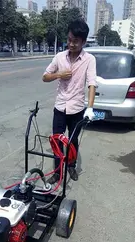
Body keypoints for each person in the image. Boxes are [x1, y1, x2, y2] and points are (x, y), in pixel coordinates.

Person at [42, 19, 97, 184]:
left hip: (77, 109)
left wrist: (90, 108)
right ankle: (58, 172)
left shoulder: (89, 59)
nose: (71, 44)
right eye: (70, 39)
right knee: (57, 142)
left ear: (83, 42)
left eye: (76, 41)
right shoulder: (59, 57)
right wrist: (59, 75)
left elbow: (92, 83)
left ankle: (71, 166)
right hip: (60, 108)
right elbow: (45, 77)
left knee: (72, 141)